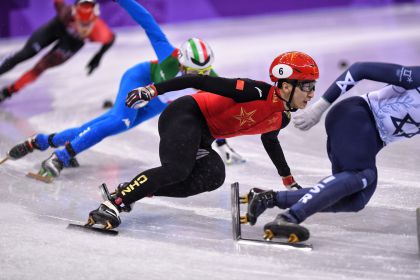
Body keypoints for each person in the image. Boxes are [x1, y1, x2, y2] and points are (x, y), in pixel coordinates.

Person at [4, 0, 243, 179]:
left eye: (202, 74)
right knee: (120, 121)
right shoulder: (167, 55)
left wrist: (223, 144)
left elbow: (215, 109)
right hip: (140, 80)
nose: (197, 79)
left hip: (157, 102)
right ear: (181, 61)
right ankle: (61, 156)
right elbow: (147, 20)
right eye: (191, 72)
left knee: (106, 123)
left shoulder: (210, 78)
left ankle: (44, 141)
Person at [85, 51, 319, 230]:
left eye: (313, 87)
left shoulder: (283, 117)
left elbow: (270, 141)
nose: (311, 93)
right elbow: (198, 80)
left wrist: (288, 179)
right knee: (178, 169)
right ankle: (112, 203)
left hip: (203, 136)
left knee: (213, 176)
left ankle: (131, 191)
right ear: (286, 86)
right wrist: (152, 90)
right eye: (307, 86)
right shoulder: (255, 91)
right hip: (185, 115)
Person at [243, 62, 420, 243]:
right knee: (362, 174)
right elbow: (360, 69)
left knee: (355, 200)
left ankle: (267, 199)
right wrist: (319, 107)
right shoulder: (417, 77)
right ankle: (288, 218)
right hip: (355, 116)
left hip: (369, 139)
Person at [0, 0, 115, 103]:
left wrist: (98, 56)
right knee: (25, 54)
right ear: (74, 16)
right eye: (81, 23)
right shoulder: (64, 12)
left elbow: (111, 39)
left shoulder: (99, 31)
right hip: (56, 27)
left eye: (88, 23)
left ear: (95, 20)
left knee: (40, 67)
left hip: (72, 43)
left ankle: (7, 92)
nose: (84, 28)